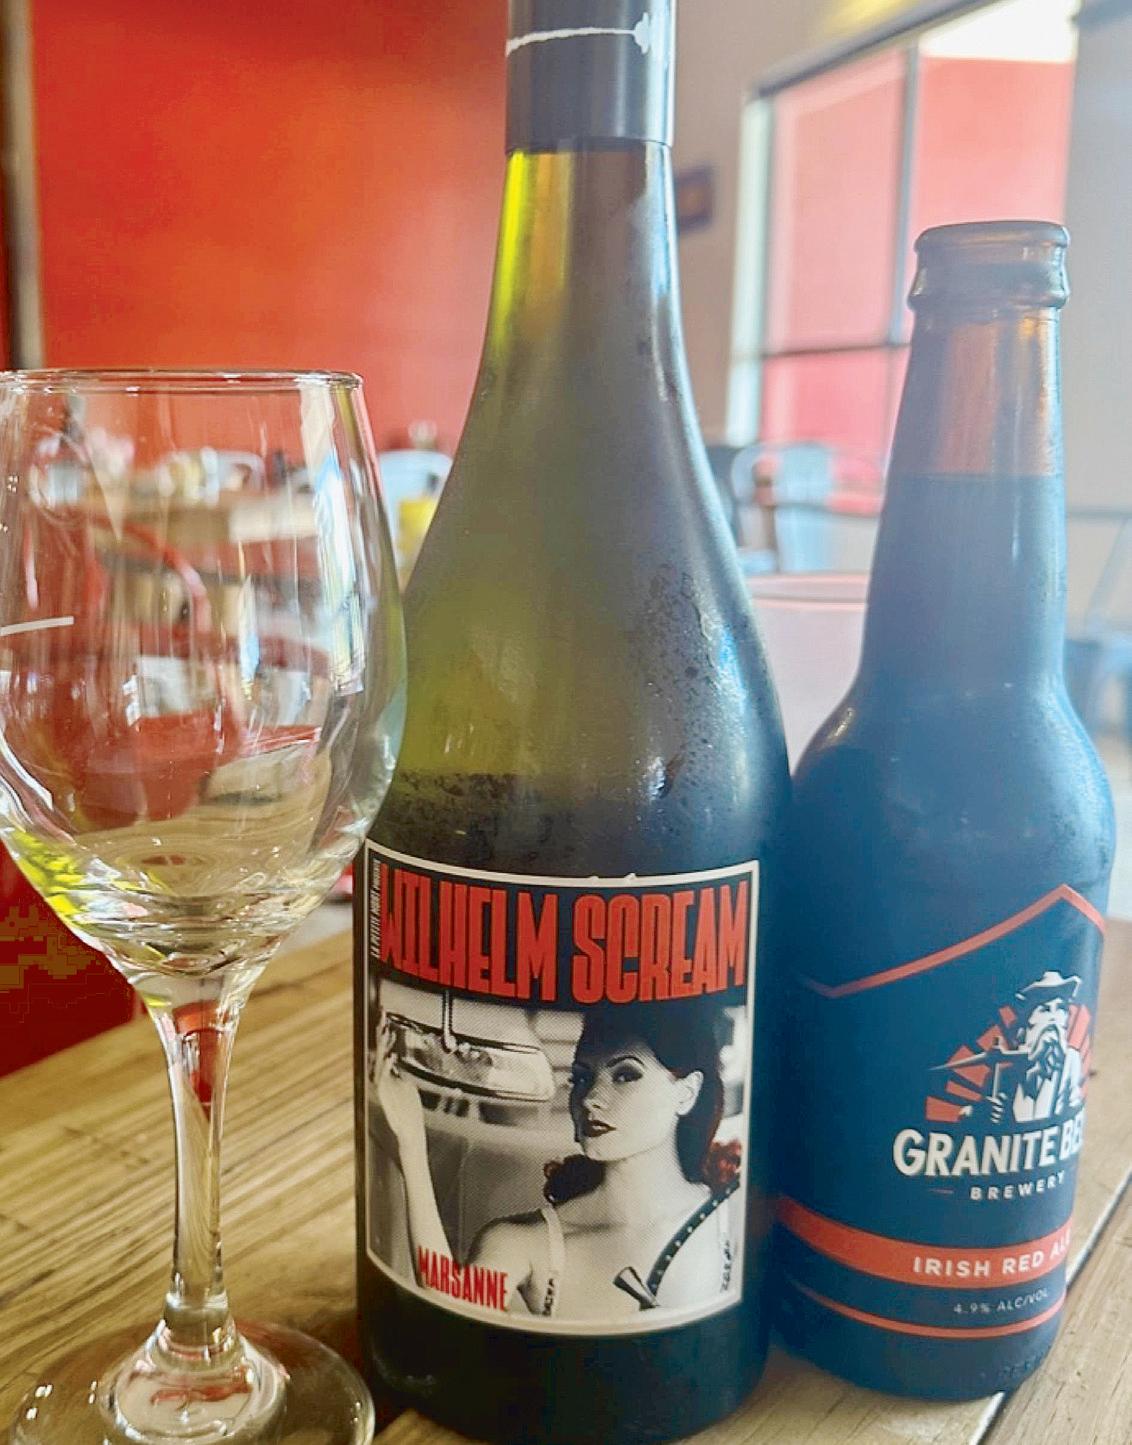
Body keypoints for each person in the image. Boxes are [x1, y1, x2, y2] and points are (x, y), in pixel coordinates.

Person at [374, 1002, 740, 1321]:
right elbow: (454, 1311)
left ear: (687, 1093)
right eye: (581, 1078)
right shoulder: (526, 1242)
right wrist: (411, 1143)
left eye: (625, 1075)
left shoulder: (730, 1215)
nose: (591, 1098)